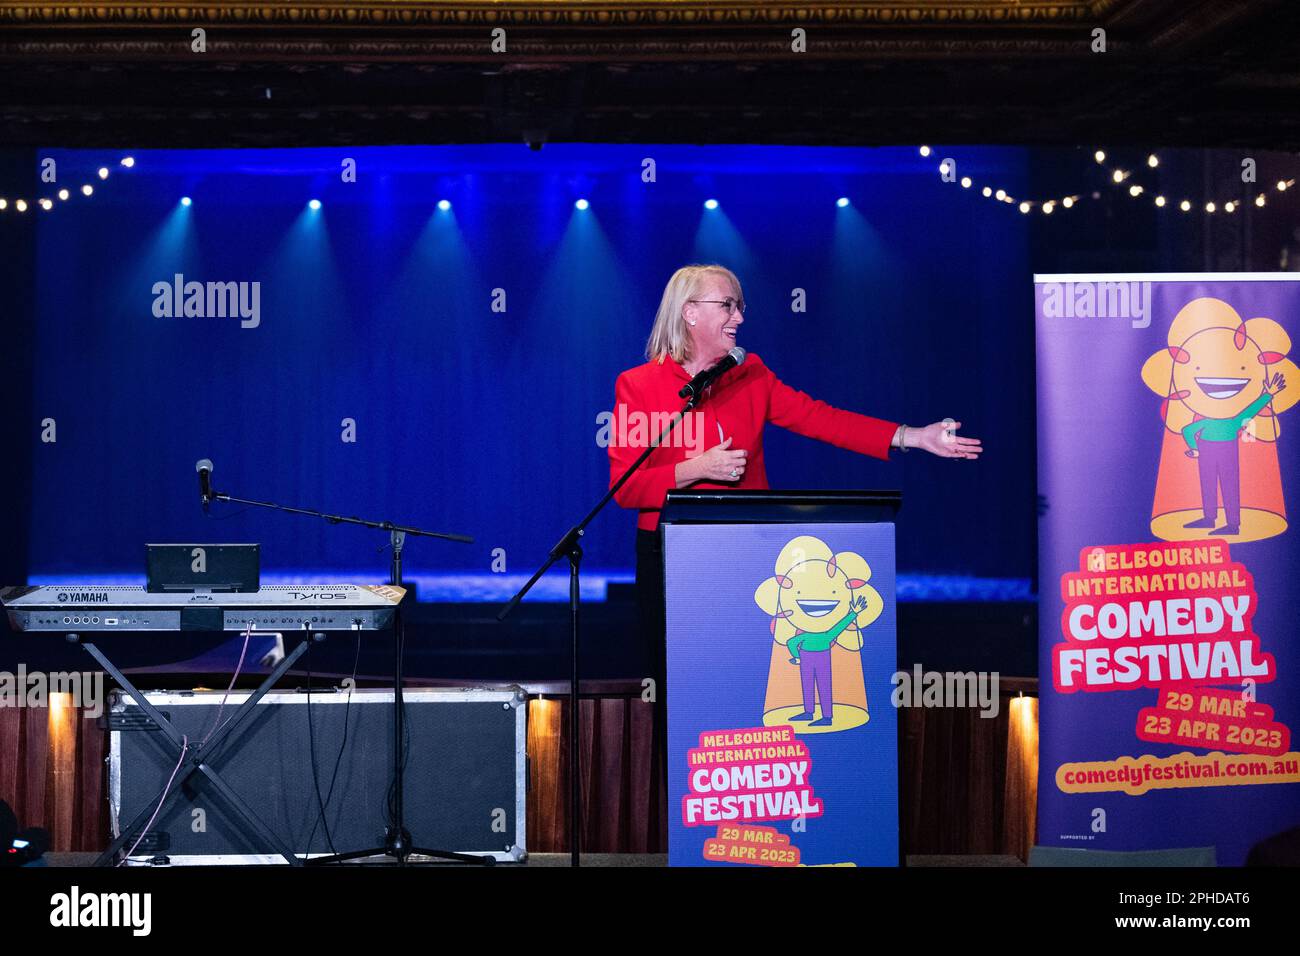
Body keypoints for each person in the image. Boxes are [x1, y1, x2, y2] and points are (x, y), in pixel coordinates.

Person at [606, 263, 984, 818]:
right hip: (669, 555)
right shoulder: (638, 385)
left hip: (744, 554)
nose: (739, 316)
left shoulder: (751, 375)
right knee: (681, 689)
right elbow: (623, 487)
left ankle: (754, 808)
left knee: (744, 682)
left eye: (739, 305)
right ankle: (688, 821)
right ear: (690, 312)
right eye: (727, 305)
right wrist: (695, 467)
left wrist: (911, 437)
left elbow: (821, 419)